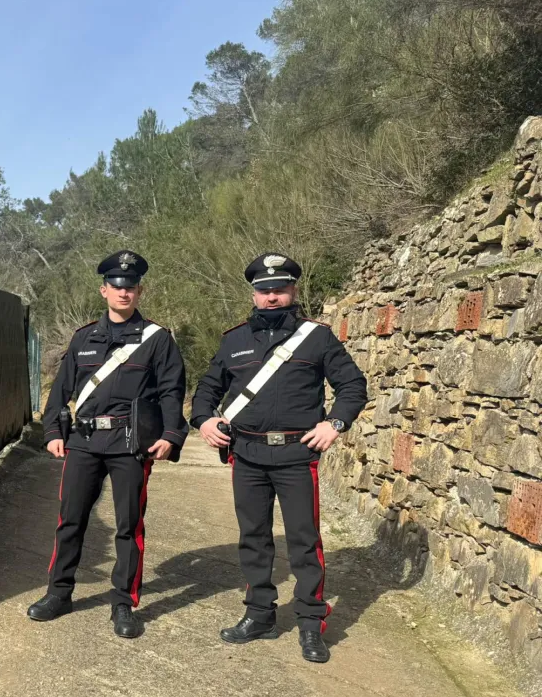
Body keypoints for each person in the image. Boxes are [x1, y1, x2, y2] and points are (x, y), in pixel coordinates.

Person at [191, 253, 367, 663]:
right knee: (254, 539)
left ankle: (310, 624)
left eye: (279, 289)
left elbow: (353, 386)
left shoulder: (317, 337)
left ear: (293, 290)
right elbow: (206, 389)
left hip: (295, 455)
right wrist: (203, 420)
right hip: (247, 455)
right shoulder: (233, 340)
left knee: (305, 543)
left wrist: (335, 424)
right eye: (264, 290)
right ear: (253, 293)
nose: (271, 297)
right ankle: (260, 615)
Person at [30, 250, 189, 638]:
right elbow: (59, 392)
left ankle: (123, 602)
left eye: (130, 286)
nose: (124, 292)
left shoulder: (157, 340)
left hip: (130, 444)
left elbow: (172, 391)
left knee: (128, 526)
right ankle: (59, 592)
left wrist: (171, 435)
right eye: (117, 286)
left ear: (139, 291)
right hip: (83, 442)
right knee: (70, 520)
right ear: (104, 290)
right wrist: (52, 432)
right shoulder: (84, 337)